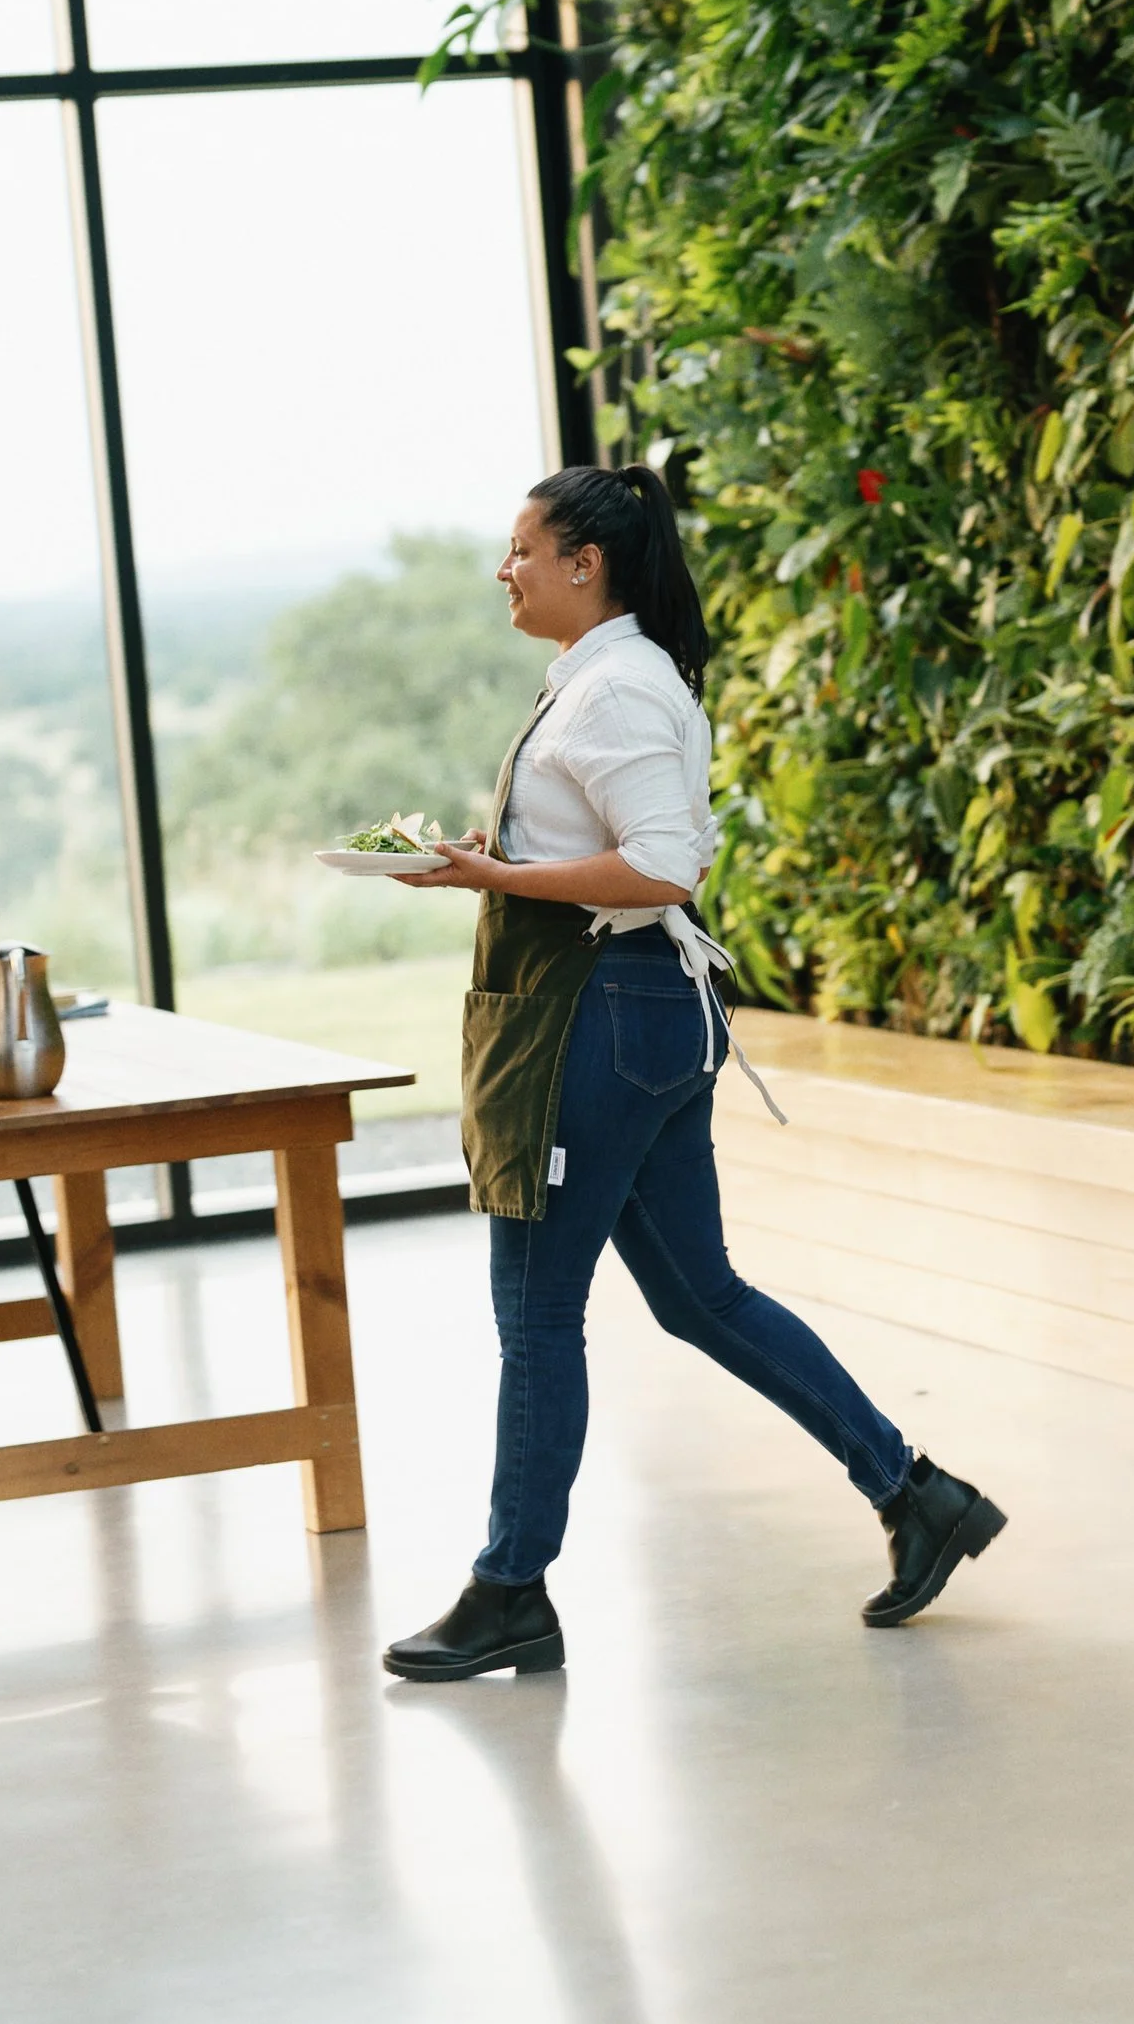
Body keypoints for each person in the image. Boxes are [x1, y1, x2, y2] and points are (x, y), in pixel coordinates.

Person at [379, 463, 1006, 1681]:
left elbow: (663, 868)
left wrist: (494, 879)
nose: (502, 571)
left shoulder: (612, 690)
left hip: (600, 1023)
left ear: (584, 564)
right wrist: (491, 857)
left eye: (520, 549)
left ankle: (511, 1587)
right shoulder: (619, 678)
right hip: (645, 1015)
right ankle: (914, 1492)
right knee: (698, 1294)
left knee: (537, 1312)